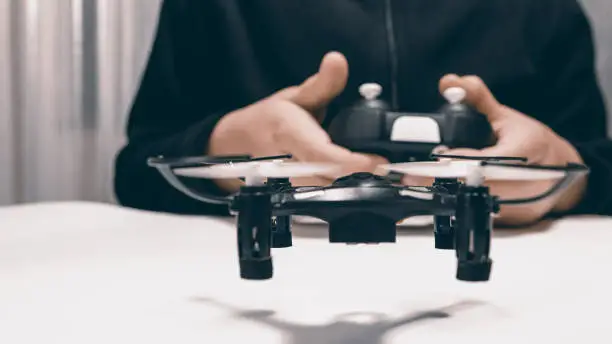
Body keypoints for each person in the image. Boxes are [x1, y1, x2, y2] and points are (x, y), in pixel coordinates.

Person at [113, 0, 612, 226]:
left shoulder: (546, 9)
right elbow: (137, 170)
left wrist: (559, 171)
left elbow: (601, 168)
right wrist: (223, 148)